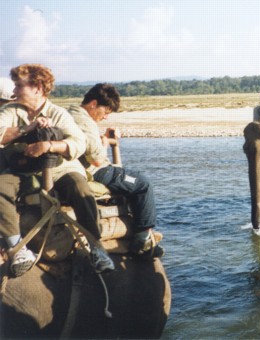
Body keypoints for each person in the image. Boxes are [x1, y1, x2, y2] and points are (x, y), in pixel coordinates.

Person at [0, 64, 114, 276]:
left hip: (61, 169)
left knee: (81, 188)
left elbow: (78, 143)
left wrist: (49, 146)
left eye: (18, 86)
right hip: (24, 172)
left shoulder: (58, 113)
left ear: (37, 87)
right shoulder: (9, 111)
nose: (14, 91)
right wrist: (28, 128)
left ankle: (96, 247)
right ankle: (17, 249)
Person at [68, 83, 164, 258]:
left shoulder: (72, 114)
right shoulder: (84, 121)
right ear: (93, 104)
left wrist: (101, 137)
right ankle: (143, 239)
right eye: (105, 112)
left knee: (131, 179)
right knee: (142, 183)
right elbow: (97, 160)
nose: (105, 117)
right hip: (96, 172)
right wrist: (105, 143)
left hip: (82, 168)